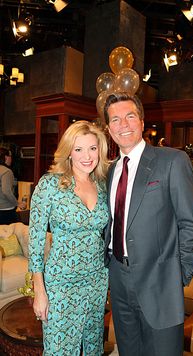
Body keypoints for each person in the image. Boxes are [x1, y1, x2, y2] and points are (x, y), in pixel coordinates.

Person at [103, 92, 193, 356]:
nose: (123, 124)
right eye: (115, 119)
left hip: (161, 282)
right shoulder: (110, 170)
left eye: (130, 116)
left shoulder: (172, 161)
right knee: (128, 351)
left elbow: (191, 224)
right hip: (119, 279)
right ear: (108, 128)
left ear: (143, 122)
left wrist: (179, 274)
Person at [28, 120, 109, 356]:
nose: (87, 156)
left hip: (97, 281)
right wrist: (39, 292)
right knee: (59, 350)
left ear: (100, 151)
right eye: (79, 149)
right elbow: (35, 241)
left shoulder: (102, 185)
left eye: (92, 148)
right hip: (61, 283)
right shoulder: (50, 185)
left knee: (93, 348)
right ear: (69, 153)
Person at [0, 147, 25, 224]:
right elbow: (6, 191)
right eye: (10, 156)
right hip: (6, 210)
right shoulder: (7, 172)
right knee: (11, 235)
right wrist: (18, 203)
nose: (11, 159)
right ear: (6, 157)